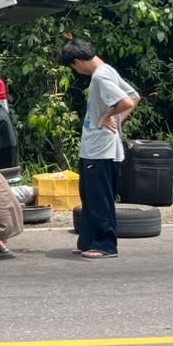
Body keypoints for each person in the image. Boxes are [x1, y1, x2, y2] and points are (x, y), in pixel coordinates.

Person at [59, 39, 140, 259]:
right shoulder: (107, 70)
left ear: (78, 62)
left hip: (100, 150)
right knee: (89, 197)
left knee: (99, 199)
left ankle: (105, 245)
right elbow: (135, 95)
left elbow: (127, 102)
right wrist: (117, 121)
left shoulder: (100, 76)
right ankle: (87, 241)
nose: (76, 71)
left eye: (73, 67)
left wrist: (107, 117)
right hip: (95, 148)